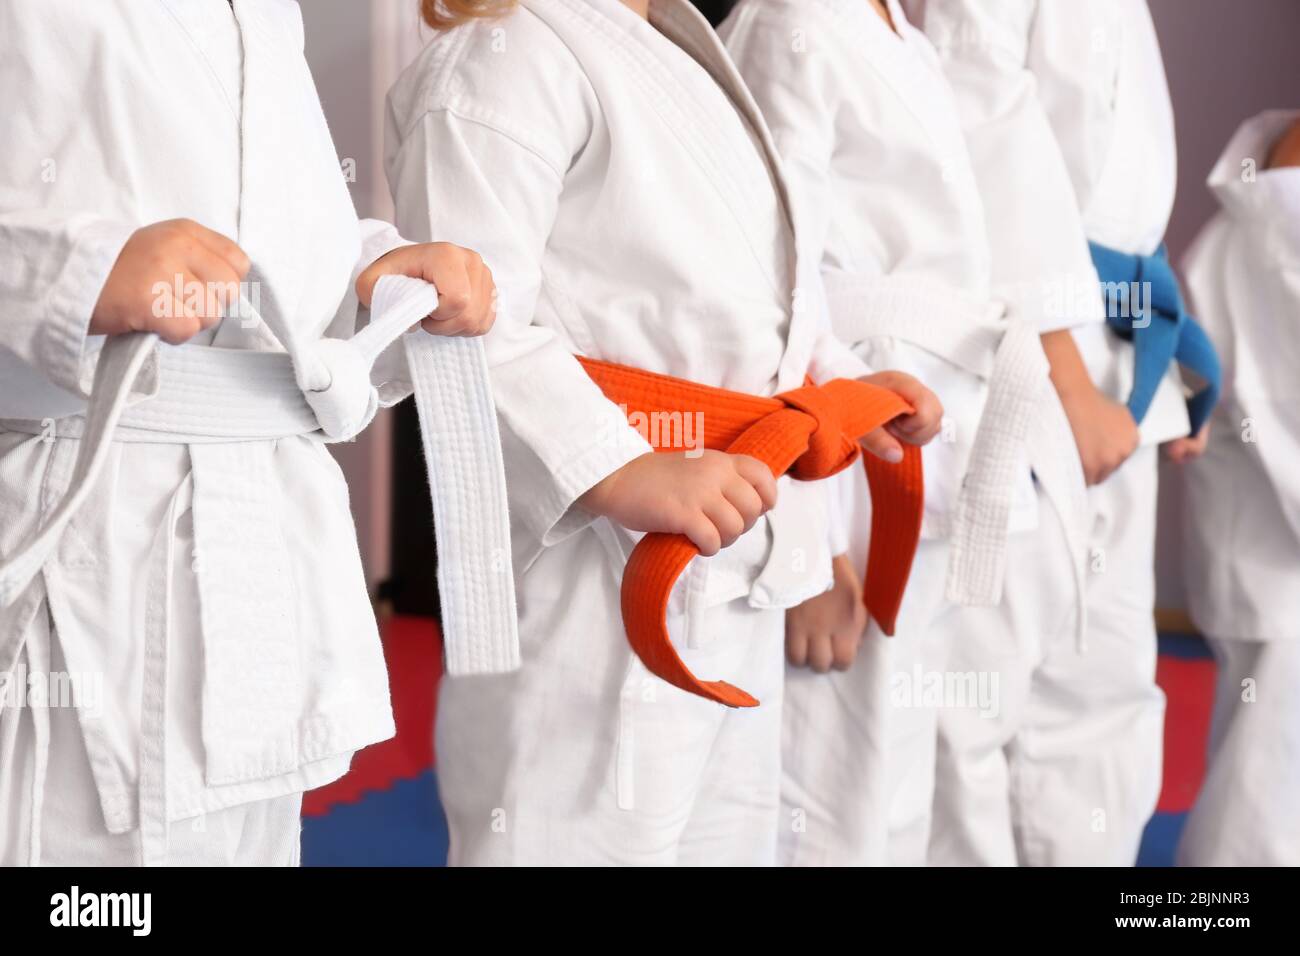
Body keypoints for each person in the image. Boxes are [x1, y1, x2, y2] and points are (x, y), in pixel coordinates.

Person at [386, 0, 942, 865]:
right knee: (571, 842)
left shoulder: (676, 45)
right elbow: (461, 326)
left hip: (725, 550)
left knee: (725, 842)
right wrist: (618, 468)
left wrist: (835, 385)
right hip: (593, 572)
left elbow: (750, 295)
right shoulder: (504, 56)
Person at [0, 0, 501, 867]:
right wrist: (68, 272)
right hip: (92, 520)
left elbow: (266, 234)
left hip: (260, 543)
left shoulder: (267, 14)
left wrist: (366, 277)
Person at [721, 0, 1087, 866]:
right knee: (830, 786)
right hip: (842, 464)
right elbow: (777, 286)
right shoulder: (789, 25)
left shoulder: (897, 32)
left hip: (922, 431)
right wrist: (809, 549)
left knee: (896, 786)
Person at [915, 0, 1219, 865]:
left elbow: (1121, 214)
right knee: (985, 689)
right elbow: (983, 128)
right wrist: (1067, 371)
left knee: (1109, 679)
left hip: (1113, 356)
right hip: (1025, 355)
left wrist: (1164, 369)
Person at [1177, 112, 1300, 866]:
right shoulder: (1277, 227)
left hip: (1267, 548)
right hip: (1274, 556)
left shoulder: (1265, 218)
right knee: (1265, 802)